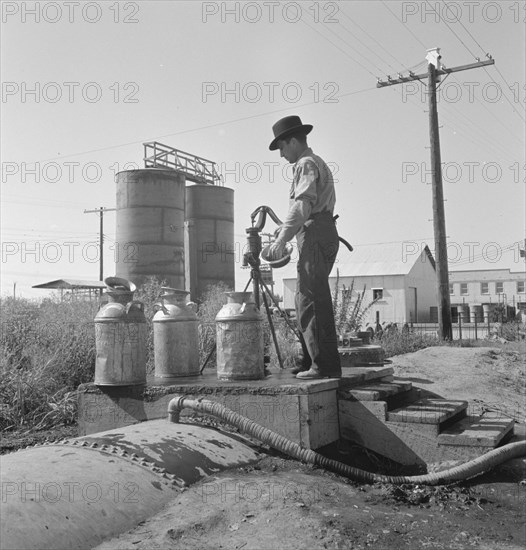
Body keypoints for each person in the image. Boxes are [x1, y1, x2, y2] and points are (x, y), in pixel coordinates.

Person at [267, 115, 341, 380]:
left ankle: (323, 366)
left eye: (282, 148)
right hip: (318, 231)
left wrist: (280, 240)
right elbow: (305, 209)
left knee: (312, 299)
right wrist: (285, 229)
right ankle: (310, 360)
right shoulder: (314, 162)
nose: (282, 155)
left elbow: (303, 206)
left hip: (315, 234)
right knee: (304, 300)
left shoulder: (306, 163)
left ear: (293, 142)